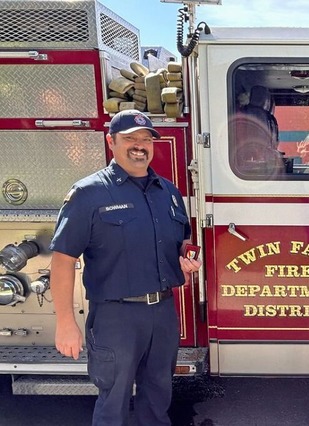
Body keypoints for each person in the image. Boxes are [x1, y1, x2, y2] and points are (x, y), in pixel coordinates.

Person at [49, 109, 202, 426]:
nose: (139, 146)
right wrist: (65, 321)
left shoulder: (168, 193)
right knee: (113, 401)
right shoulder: (88, 194)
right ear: (111, 142)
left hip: (162, 312)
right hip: (115, 316)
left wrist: (186, 259)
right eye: (130, 138)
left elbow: (179, 242)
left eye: (146, 139)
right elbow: (63, 260)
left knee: (158, 397)